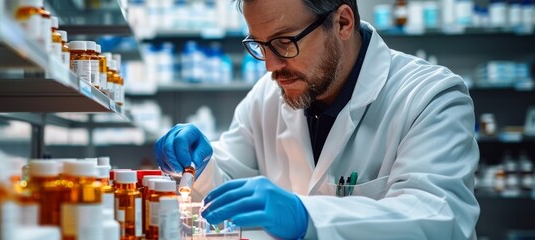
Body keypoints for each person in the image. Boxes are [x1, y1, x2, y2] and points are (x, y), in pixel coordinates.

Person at [153, 0, 480, 239]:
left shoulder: (430, 97)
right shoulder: (266, 97)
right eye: (259, 45)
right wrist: (202, 167)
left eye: (284, 43)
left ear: (342, 23)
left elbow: (438, 218)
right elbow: (230, 187)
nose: (270, 66)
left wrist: (307, 216)